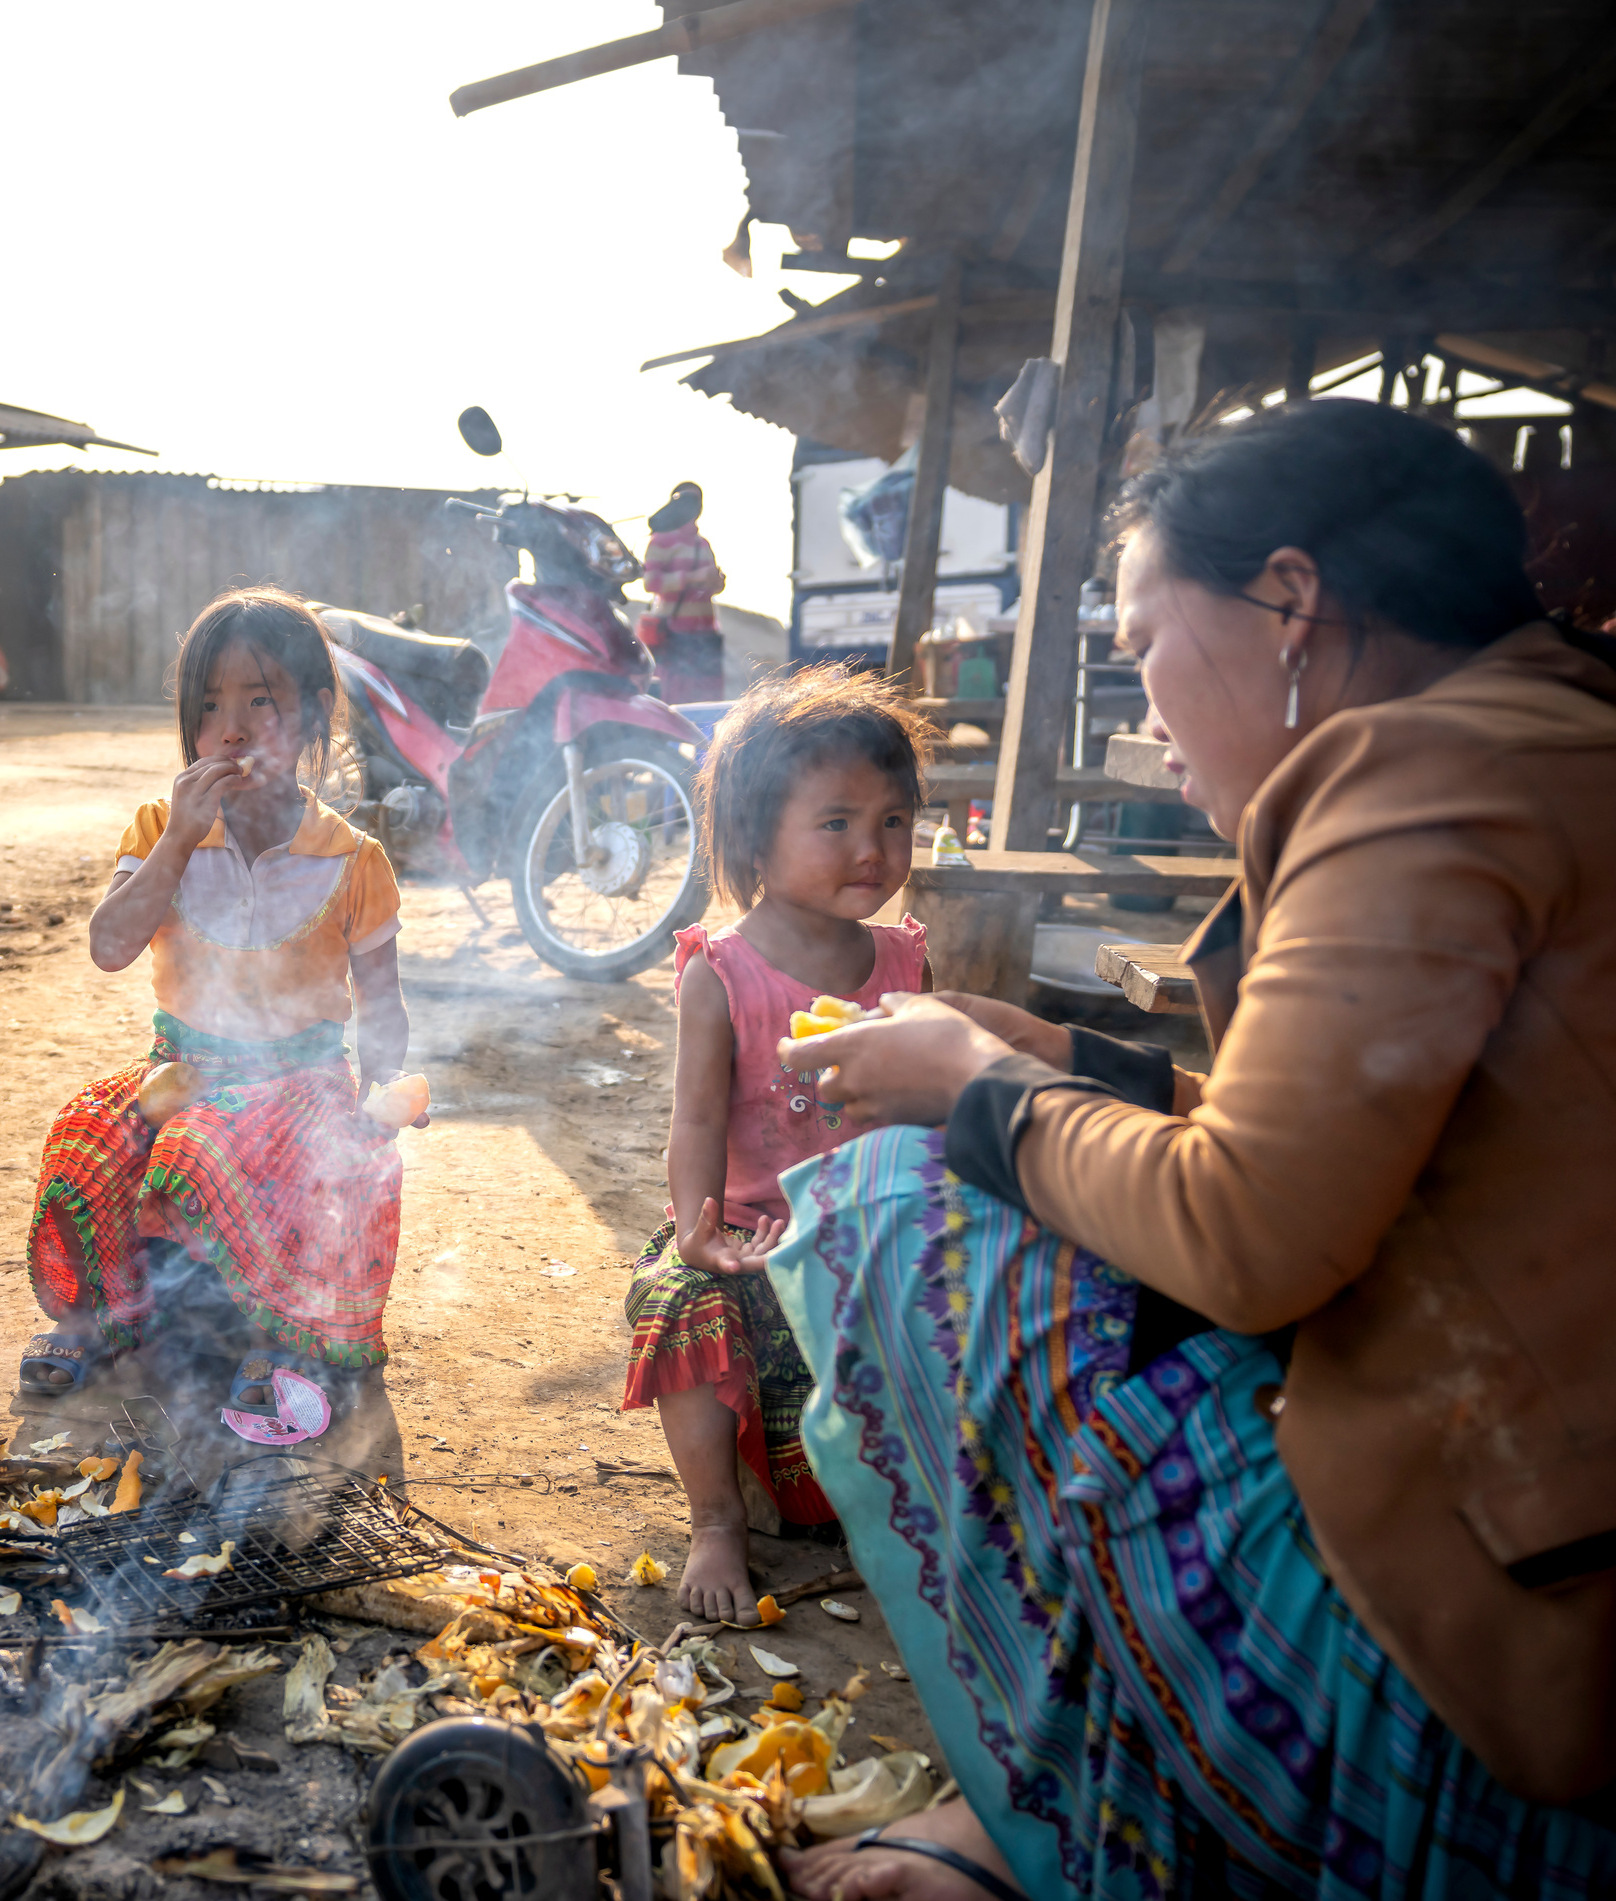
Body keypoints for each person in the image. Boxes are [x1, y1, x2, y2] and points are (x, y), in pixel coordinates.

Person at [769, 401, 1616, 1900]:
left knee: (903, 1201)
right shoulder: (1558, 736)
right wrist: (1068, 1060)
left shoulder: (1424, 777)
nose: (1149, 713)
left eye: (1148, 644)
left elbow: (1258, 1229)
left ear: (1293, 602)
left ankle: (1076, 1816)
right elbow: (1381, 1139)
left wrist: (972, 1083)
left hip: (1528, 1660)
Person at [20, 587, 419, 1455]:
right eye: (209, 707)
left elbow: (382, 1007)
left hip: (299, 1081)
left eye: (258, 701)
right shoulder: (162, 827)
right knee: (86, 1137)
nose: (229, 728)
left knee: (200, 1154)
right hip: (181, 1070)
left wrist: (388, 1088)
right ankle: (104, 1327)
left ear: (315, 713)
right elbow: (108, 947)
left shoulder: (355, 860)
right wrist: (177, 843)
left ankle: (269, 1346)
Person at [624, 669, 930, 1622]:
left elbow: (928, 1106)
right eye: (836, 822)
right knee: (679, 1302)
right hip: (753, 1231)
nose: (872, 849)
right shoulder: (721, 972)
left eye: (893, 821)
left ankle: (908, 1507)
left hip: (869, 1222)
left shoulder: (906, 961)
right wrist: (695, 1229)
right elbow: (700, 1119)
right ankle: (717, 1518)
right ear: (757, 836)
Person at [643, 482, 726, 703]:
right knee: (673, 694)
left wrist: (716, 583)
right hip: (673, 634)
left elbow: (709, 588)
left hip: (705, 633)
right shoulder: (660, 541)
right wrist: (693, 577)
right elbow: (650, 582)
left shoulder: (703, 544)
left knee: (707, 695)